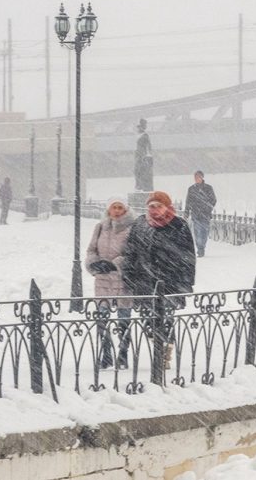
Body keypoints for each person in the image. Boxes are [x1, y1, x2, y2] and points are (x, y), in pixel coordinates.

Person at [121, 191, 196, 369]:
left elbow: (188, 256)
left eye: (159, 206)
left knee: (166, 318)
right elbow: (130, 251)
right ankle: (159, 346)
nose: (155, 210)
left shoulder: (179, 225)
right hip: (145, 281)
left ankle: (163, 356)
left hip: (170, 281)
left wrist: (186, 282)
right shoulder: (140, 224)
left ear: (167, 207)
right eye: (152, 206)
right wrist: (128, 274)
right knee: (149, 320)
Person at [86, 197, 137, 369]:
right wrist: (94, 263)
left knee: (124, 319)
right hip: (103, 279)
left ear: (125, 209)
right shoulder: (100, 227)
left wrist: (115, 264)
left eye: (119, 207)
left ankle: (123, 355)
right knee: (102, 319)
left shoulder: (132, 228)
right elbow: (91, 249)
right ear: (108, 210)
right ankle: (106, 355)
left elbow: (133, 254)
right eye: (113, 207)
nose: (116, 210)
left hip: (122, 279)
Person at [185, 170, 217, 258]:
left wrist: (207, 208)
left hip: (206, 214)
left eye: (198, 177)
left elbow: (213, 200)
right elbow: (188, 202)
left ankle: (202, 246)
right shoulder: (191, 189)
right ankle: (200, 249)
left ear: (202, 177)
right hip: (196, 214)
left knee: (204, 232)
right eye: (195, 177)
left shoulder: (208, 188)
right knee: (197, 232)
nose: (196, 179)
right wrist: (186, 213)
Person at [133, 118, 153, 192]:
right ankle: (139, 185)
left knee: (140, 171)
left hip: (142, 156)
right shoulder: (140, 135)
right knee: (137, 171)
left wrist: (147, 155)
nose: (138, 128)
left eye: (139, 127)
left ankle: (141, 186)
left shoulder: (145, 135)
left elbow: (149, 146)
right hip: (138, 155)